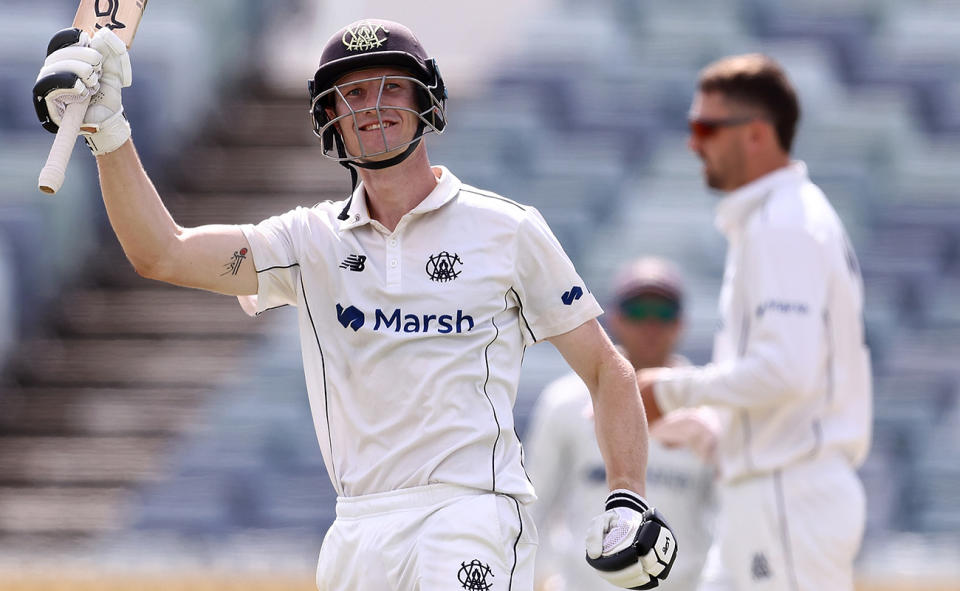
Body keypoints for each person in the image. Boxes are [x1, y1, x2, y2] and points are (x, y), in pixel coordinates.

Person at [32, 18, 678, 591]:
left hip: (470, 511)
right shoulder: (307, 240)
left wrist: (626, 495)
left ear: (426, 100)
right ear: (330, 117)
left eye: (390, 87)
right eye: (352, 93)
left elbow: (605, 369)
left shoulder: (508, 229)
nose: (371, 106)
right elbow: (163, 253)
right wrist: (107, 130)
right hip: (358, 528)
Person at [637, 54, 872, 591]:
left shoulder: (782, 225)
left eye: (706, 127)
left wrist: (667, 392)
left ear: (758, 135)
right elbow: (788, 381)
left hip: (788, 494)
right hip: (764, 494)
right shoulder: (776, 219)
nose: (693, 143)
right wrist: (710, 429)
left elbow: (786, 371)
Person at [526, 257, 719, 591]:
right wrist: (541, 577)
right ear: (614, 318)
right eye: (638, 311)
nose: (650, 325)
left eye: (662, 313)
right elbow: (533, 505)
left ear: (680, 323)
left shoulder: (708, 410)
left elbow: (726, 515)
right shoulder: (566, 402)